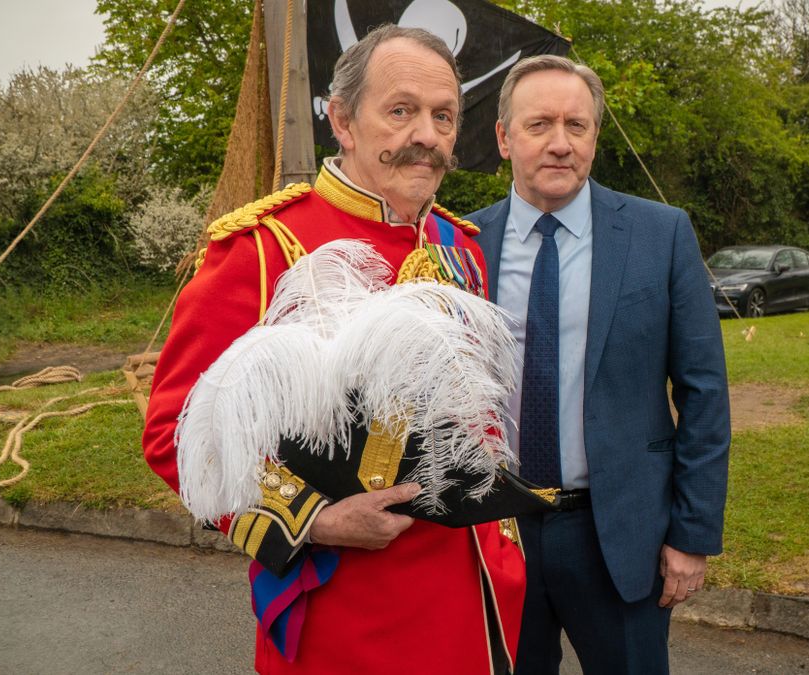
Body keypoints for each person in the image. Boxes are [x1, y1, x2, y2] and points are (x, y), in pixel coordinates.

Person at [142, 25, 524, 675]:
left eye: (443, 116)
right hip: (344, 617)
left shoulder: (459, 247)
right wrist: (314, 518)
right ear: (342, 120)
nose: (426, 135)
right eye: (401, 110)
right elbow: (174, 436)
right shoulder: (260, 250)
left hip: (472, 600)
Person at [466, 55, 731, 674]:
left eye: (576, 126)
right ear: (504, 138)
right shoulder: (461, 247)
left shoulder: (660, 234)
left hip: (620, 538)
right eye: (539, 126)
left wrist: (692, 536)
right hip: (494, 533)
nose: (560, 144)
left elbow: (704, 393)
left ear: (595, 137)